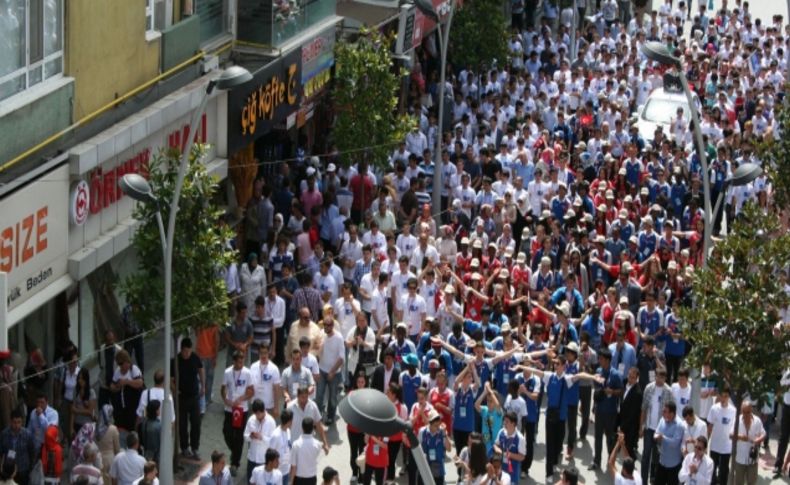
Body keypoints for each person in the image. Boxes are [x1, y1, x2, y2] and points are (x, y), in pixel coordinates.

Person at [221, 350, 254, 476]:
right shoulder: (227, 372)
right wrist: (226, 400)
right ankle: (235, 452)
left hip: (242, 409)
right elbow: (223, 389)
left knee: (239, 436)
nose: (241, 364)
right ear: (234, 361)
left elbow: (251, 390)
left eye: (243, 361)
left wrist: (242, 398)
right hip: (230, 409)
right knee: (227, 432)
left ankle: (235, 463)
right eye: (239, 362)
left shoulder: (247, 373)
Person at [640, 369, 674, 484]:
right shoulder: (649, 388)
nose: (660, 379)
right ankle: (643, 481)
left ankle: (653, 479)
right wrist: (641, 426)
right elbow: (644, 408)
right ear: (656, 376)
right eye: (658, 377)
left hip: (661, 430)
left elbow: (671, 413)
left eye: (663, 378)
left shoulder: (668, 391)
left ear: (665, 378)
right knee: (646, 456)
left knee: (657, 457)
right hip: (649, 428)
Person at [173, 338, 203, 459]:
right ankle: (184, 448)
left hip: (194, 396)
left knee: (196, 423)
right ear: (181, 350)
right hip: (181, 397)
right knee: (182, 424)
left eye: (189, 351)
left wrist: (203, 386)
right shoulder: (176, 360)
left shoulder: (195, 357)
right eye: (185, 351)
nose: (187, 354)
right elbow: (170, 379)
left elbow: (201, 370)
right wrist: (175, 390)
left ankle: (195, 448)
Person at [316, 315, 345, 425]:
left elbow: (341, 358)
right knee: (319, 396)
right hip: (322, 370)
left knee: (332, 398)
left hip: (334, 373)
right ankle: (318, 417)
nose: (326, 327)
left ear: (332, 325)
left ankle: (330, 416)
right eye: (324, 325)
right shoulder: (322, 334)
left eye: (328, 325)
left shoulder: (339, 338)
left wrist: (332, 371)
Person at [110, 350, 144, 434]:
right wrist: (118, 386)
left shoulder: (133, 369)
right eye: (119, 364)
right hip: (121, 407)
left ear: (126, 361)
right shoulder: (118, 371)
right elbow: (112, 386)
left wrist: (127, 382)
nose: (120, 366)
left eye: (121, 364)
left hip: (133, 406)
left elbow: (140, 383)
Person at [707, 386, 735, 484]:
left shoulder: (733, 410)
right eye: (722, 396)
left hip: (726, 447)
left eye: (726, 396)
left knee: (724, 472)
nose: (723, 399)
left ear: (729, 397)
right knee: (712, 470)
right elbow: (710, 426)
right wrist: (707, 441)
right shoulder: (714, 408)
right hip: (714, 445)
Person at [732, 401, 765, 485]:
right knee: (738, 482)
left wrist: (758, 440)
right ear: (741, 411)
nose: (746, 414)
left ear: (751, 410)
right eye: (744, 412)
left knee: (751, 482)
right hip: (740, 459)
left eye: (748, 412)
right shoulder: (737, 420)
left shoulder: (757, 421)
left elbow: (763, 433)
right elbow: (730, 434)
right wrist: (740, 437)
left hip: (752, 459)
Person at [244, 399, 276, 484]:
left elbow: (273, 442)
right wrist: (251, 436)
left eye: (259, 413)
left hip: (263, 460)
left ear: (263, 410)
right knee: (250, 482)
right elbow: (245, 436)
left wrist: (262, 437)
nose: (257, 416)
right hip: (252, 457)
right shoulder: (251, 419)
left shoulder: (271, 422)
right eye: (255, 414)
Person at [0, 410, 36, 485]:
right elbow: (1, 452)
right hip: (8, 471)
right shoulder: (4, 434)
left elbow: (32, 452)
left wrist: (30, 468)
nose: (16, 425)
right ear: (10, 422)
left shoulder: (27, 435)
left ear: (22, 422)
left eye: (19, 422)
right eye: (14, 422)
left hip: (23, 470)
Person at [418, 409, 453, 485]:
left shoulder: (442, 432)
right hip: (425, 467)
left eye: (439, 425)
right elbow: (419, 448)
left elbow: (449, 449)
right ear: (430, 424)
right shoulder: (422, 431)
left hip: (438, 469)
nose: (438, 428)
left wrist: (444, 435)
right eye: (435, 426)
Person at [653, 401, 684, 485]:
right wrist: (657, 437)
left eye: (665, 411)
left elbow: (675, 443)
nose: (663, 413)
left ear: (672, 413)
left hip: (673, 466)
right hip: (662, 462)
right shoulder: (662, 419)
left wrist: (663, 437)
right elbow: (656, 433)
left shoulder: (679, 425)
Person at [250, 343, 282, 417]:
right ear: (258, 353)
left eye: (265, 353)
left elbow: (276, 389)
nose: (263, 355)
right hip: (255, 405)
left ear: (268, 353)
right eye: (261, 353)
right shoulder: (253, 367)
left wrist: (276, 407)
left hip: (268, 406)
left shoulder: (274, 369)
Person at [291, 417, 326, 485]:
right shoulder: (317, 444)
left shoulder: (296, 444)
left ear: (302, 428)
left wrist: (291, 482)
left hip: (299, 479)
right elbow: (323, 445)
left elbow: (294, 466)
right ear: (313, 428)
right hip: (312, 478)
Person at [272, 409, 294, 485]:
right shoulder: (275, 435)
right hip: (277, 471)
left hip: (286, 470)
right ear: (289, 421)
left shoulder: (288, 431)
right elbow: (270, 453)